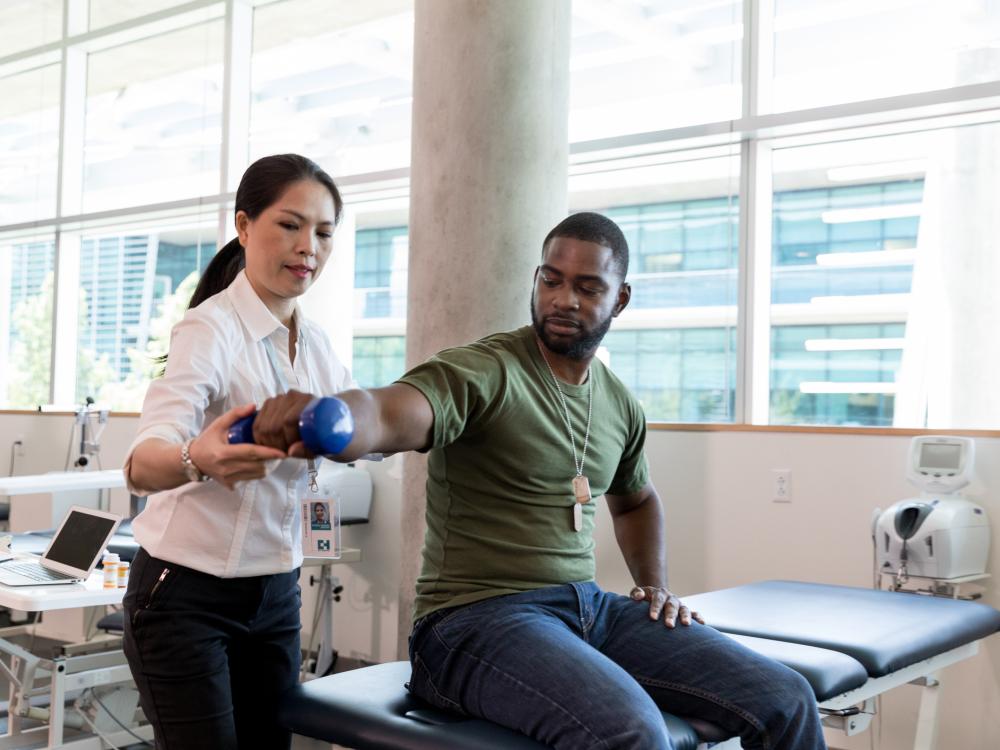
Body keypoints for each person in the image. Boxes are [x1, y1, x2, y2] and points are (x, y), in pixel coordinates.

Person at [252, 212, 826, 749]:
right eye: (551, 280)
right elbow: (392, 411)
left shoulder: (620, 403)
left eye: (587, 287)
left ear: (619, 299)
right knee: (632, 733)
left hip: (587, 612)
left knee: (787, 697)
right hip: (472, 622)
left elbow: (636, 499)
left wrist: (655, 586)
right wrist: (334, 418)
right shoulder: (485, 369)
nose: (563, 300)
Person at [122, 154, 353, 749]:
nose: (308, 247)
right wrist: (198, 457)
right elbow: (142, 463)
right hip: (184, 596)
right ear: (244, 226)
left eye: (324, 233)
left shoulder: (320, 347)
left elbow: (360, 432)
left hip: (276, 593)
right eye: (290, 225)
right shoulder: (209, 330)